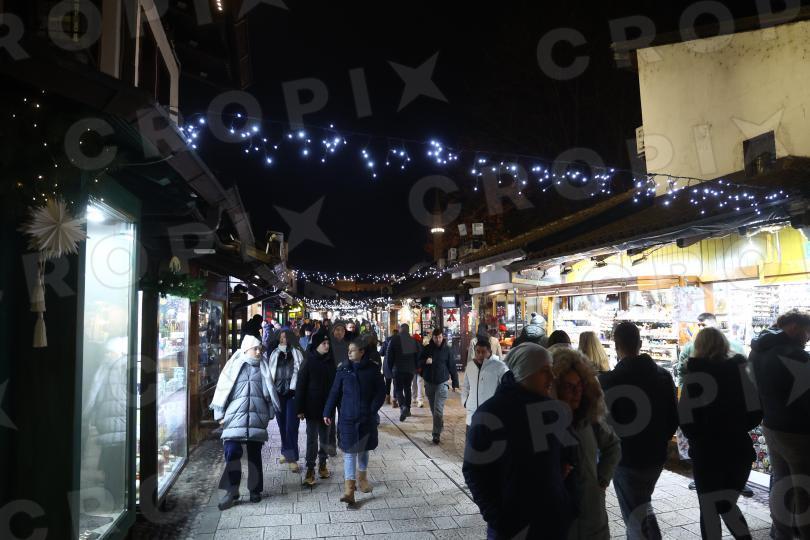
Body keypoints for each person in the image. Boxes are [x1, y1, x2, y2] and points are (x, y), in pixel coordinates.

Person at [464, 343, 575, 539]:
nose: (552, 377)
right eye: (544, 371)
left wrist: (565, 502)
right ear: (525, 373)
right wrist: (497, 517)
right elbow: (474, 470)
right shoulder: (491, 413)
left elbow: (570, 455)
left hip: (553, 522)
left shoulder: (553, 410)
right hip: (511, 526)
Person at [679, 327, 762, 540]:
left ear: (698, 346)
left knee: (709, 509)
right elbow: (756, 413)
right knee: (727, 504)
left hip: (707, 453)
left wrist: (701, 436)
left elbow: (686, 421)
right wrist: (735, 427)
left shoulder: (694, 377)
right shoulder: (740, 372)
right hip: (738, 450)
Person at [599, 322, 678, 540]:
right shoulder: (663, 376)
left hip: (626, 458)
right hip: (656, 456)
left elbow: (605, 425)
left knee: (636, 515)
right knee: (642, 505)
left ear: (616, 346)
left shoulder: (609, 381)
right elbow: (674, 417)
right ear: (640, 343)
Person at [749, 310, 810, 539]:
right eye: (807, 332)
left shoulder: (757, 350)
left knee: (781, 482)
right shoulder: (798, 357)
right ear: (794, 327)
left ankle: (781, 532)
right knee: (803, 488)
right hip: (799, 432)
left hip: (771, 425)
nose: (808, 338)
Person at [552, 347, 622, 540]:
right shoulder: (545, 426)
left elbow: (613, 445)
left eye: (580, 386)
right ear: (555, 387)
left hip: (593, 520)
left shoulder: (589, 419)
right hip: (560, 524)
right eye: (569, 386)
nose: (577, 392)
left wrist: (602, 480)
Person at [210, 335, 274, 510]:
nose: (259, 352)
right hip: (234, 417)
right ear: (246, 349)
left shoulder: (263, 367)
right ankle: (232, 491)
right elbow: (222, 390)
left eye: (260, 349)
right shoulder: (234, 365)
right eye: (255, 349)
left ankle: (255, 490)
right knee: (232, 452)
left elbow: (269, 393)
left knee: (254, 455)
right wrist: (219, 415)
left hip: (256, 417)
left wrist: (269, 415)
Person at [323, 338, 386, 506]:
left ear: (362, 352)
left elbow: (381, 392)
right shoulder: (343, 369)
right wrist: (327, 411)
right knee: (349, 452)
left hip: (366, 417)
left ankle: (362, 479)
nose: (349, 353)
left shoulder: (373, 369)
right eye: (348, 350)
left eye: (352, 350)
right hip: (348, 418)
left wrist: (372, 409)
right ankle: (349, 490)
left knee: (363, 449)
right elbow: (335, 392)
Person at [295, 328, 336, 486]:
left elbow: (336, 386)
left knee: (325, 438)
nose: (327, 346)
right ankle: (310, 468)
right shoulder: (309, 360)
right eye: (324, 343)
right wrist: (299, 409)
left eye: (328, 343)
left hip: (327, 408)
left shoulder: (331, 361)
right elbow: (300, 385)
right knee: (312, 439)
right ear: (317, 345)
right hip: (311, 408)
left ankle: (323, 464)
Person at [268, 330, 304, 472]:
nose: (284, 339)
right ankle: (286, 451)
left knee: (291, 426)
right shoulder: (274, 354)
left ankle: (292, 458)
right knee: (282, 425)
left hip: (293, 394)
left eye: (286, 337)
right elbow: (269, 374)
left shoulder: (297, 353)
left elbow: (302, 373)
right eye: (281, 337)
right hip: (278, 395)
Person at [419, 328, 460, 444]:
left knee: (438, 409)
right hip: (429, 382)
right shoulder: (427, 349)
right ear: (432, 338)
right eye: (436, 337)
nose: (438, 339)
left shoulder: (447, 350)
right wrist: (425, 361)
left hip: (442, 383)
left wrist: (455, 382)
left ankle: (436, 434)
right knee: (434, 409)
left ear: (443, 337)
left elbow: (452, 366)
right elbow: (418, 362)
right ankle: (439, 423)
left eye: (440, 337)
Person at [461, 337, 509, 435]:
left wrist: (499, 405)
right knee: (470, 441)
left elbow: (508, 387)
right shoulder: (470, 366)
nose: (480, 355)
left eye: (483, 352)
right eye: (478, 352)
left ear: (490, 352)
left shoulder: (499, 366)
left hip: (491, 414)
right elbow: (465, 386)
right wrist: (465, 401)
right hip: (472, 413)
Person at [677, 313, 746, 378]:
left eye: (704, 325)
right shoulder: (689, 348)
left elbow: (745, 374)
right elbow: (681, 374)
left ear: (715, 326)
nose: (701, 328)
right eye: (699, 325)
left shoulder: (736, 346)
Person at [388, 323, 420, 422]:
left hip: (397, 369)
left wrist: (390, 368)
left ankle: (402, 407)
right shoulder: (413, 341)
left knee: (398, 389)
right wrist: (416, 367)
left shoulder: (394, 340)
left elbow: (390, 356)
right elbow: (417, 356)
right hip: (410, 370)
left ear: (400, 330)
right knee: (407, 388)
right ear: (408, 330)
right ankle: (408, 409)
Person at [380, 329, 398, 406]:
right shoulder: (399, 342)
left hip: (387, 364)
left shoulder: (386, 342)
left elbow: (381, 353)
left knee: (387, 382)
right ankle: (394, 400)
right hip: (396, 364)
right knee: (396, 383)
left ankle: (387, 398)